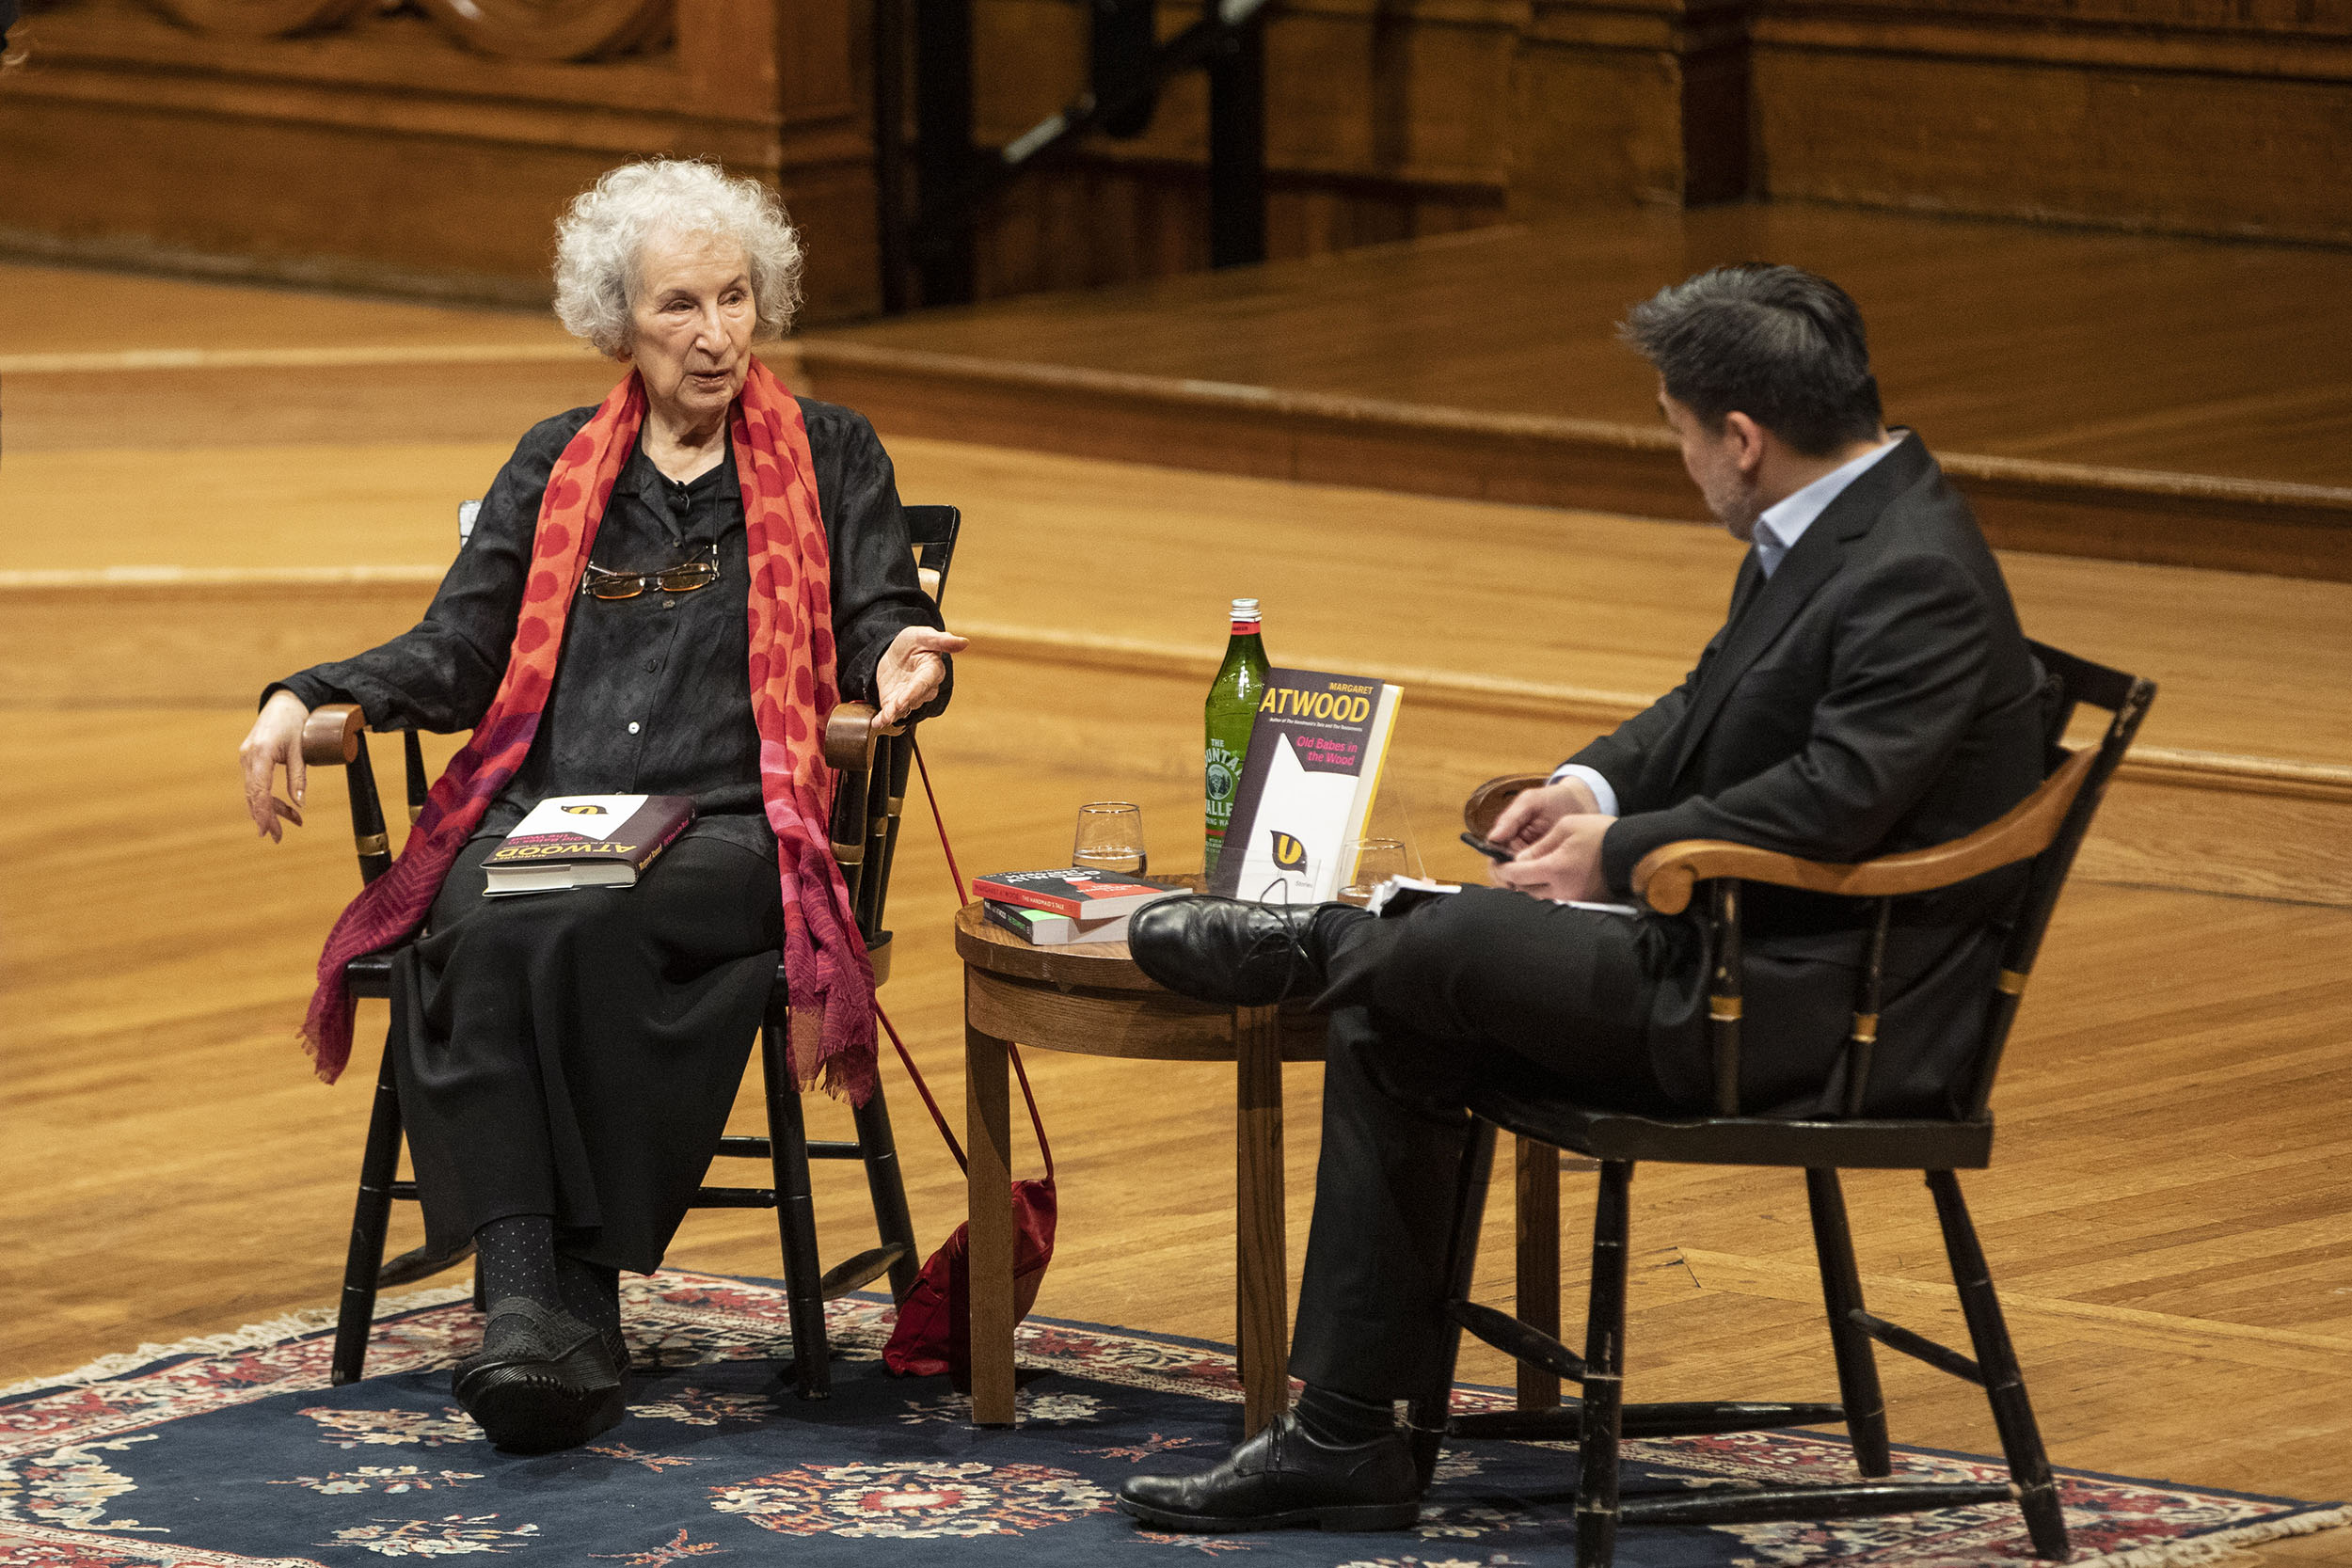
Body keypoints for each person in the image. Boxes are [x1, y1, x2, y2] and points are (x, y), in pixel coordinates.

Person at [1117, 263, 2050, 1532]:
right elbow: (1707, 700)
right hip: (1732, 956)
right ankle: (1346, 1438)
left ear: (1742, 436)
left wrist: (1615, 858)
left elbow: (1834, 800)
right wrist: (1587, 788)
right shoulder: (1835, 523)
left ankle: (1330, 934)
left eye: (1676, 431)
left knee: (1424, 949)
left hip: (1805, 1013)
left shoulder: (1910, 571)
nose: (1681, 459)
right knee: (1402, 1008)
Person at [237, 159, 964, 1453]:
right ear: (618, 326)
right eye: (679, 306)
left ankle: (539, 1307)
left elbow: (878, 615)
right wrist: (305, 693)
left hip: (739, 831)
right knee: (491, 913)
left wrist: (901, 658)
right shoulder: (557, 463)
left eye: (736, 298)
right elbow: (459, 652)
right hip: (555, 816)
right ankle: (546, 1315)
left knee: (563, 924)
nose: (716, 333)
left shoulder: (831, 452)